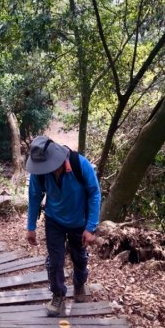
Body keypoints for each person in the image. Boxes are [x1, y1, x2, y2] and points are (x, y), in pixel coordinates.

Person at [26, 135, 101, 317]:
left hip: (78, 221)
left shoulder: (79, 164)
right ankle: (58, 294)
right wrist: (31, 227)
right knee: (55, 260)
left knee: (79, 257)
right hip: (54, 220)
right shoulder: (39, 173)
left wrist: (90, 228)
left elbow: (94, 194)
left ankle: (79, 283)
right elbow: (34, 197)